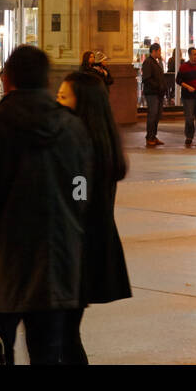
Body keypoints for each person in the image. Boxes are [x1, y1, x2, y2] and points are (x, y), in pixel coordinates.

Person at [0, 45, 93, 365]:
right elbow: (81, 192)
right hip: (55, 265)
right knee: (48, 352)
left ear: (8, 78)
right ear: (45, 80)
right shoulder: (72, 127)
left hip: (3, 267)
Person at [57, 71, 131, 362]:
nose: (57, 101)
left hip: (77, 249)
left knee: (64, 335)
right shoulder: (101, 139)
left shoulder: (83, 146)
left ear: (82, 103)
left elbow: (79, 197)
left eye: (63, 97)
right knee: (65, 333)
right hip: (88, 245)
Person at [175, 47, 196, 147]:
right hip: (188, 97)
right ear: (189, 55)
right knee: (189, 117)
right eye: (194, 54)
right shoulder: (184, 67)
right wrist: (188, 86)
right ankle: (189, 136)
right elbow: (178, 80)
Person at [141, 43, 167, 147]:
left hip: (158, 93)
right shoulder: (148, 62)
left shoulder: (155, 62)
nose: (160, 53)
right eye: (159, 51)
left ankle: (154, 136)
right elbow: (147, 78)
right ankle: (149, 137)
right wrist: (158, 86)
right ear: (154, 51)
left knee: (157, 115)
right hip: (152, 93)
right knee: (152, 114)